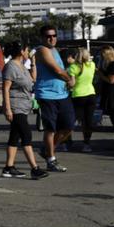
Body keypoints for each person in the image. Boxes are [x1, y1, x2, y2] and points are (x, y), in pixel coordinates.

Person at [0, 42, 48, 180]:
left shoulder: (22, 66)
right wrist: (8, 109)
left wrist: (33, 62)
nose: (28, 52)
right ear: (21, 51)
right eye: (27, 50)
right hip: (16, 107)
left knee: (14, 137)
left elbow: (33, 79)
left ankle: (9, 167)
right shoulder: (10, 67)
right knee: (26, 136)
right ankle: (35, 168)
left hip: (24, 106)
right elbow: (5, 89)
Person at [33, 24, 75, 172]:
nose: (51, 38)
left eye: (54, 35)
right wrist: (69, 79)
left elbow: (61, 69)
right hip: (47, 95)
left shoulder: (54, 50)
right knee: (50, 129)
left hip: (62, 94)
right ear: (42, 38)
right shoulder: (42, 50)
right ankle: (51, 159)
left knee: (68, 126)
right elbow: (57, 70)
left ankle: (47, 150)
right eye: (48, 36)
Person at [67, 47, 97, 152]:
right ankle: (87, 144)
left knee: (71, 120)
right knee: (87, 121)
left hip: (78, 95)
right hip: (91, 94)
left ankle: (67, 142)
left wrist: (66, 84)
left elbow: (72, 84)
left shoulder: (73, 67)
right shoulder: (92, 65)